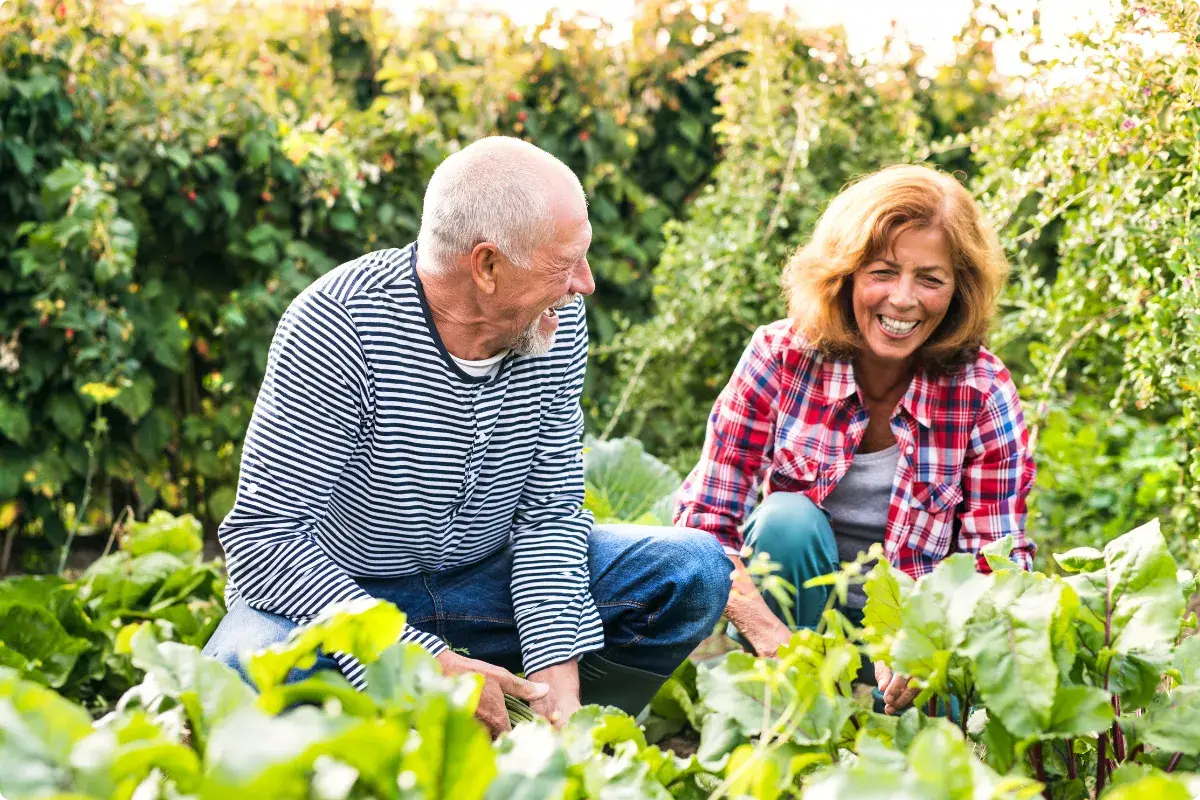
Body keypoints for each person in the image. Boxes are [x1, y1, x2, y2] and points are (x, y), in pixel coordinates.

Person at [202, 136, 731, 736]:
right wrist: (424, 659)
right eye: (565, 263)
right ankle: (411, 720)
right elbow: (265, 541)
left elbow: (549, 518)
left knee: (693, 572)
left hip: (486, 587)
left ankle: (528, 726)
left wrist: (560, 698)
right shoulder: (340, 325)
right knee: (240, 675)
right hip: (347, 599)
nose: (584, 283)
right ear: (485, 265)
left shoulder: (550, 321)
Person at [674, 164, 1035, 715]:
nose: (904, 299)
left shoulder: (982, 391)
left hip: (914, 643)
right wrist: (771, 638)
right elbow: (703, 525)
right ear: (845, 272)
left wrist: (923, 643)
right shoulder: (781, 357)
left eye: (930, 279)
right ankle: (786, 716)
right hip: (793, 628)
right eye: (883, 272)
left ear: (958, 290)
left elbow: (996, 564)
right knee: (787, 520)